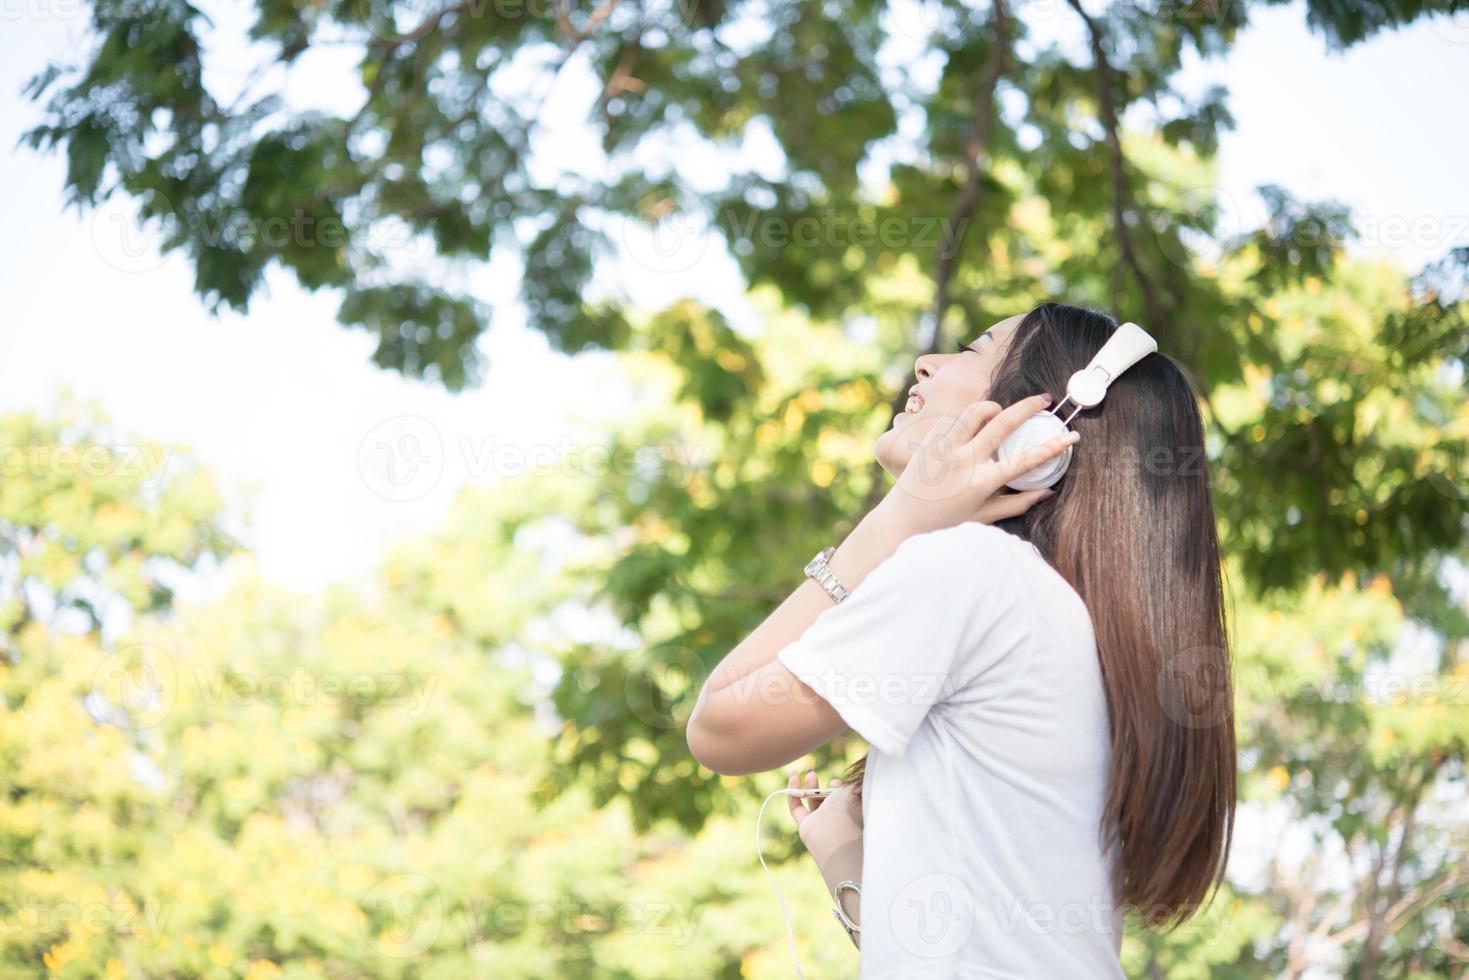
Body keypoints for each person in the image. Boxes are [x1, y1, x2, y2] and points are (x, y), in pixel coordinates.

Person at [686, 301, 1237, 977]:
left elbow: (718, 727)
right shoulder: (1073, 625)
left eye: (972, 350)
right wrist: (844, 859)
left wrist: (897, 520)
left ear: (1036, 430)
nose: (927, 362)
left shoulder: (973, 572)